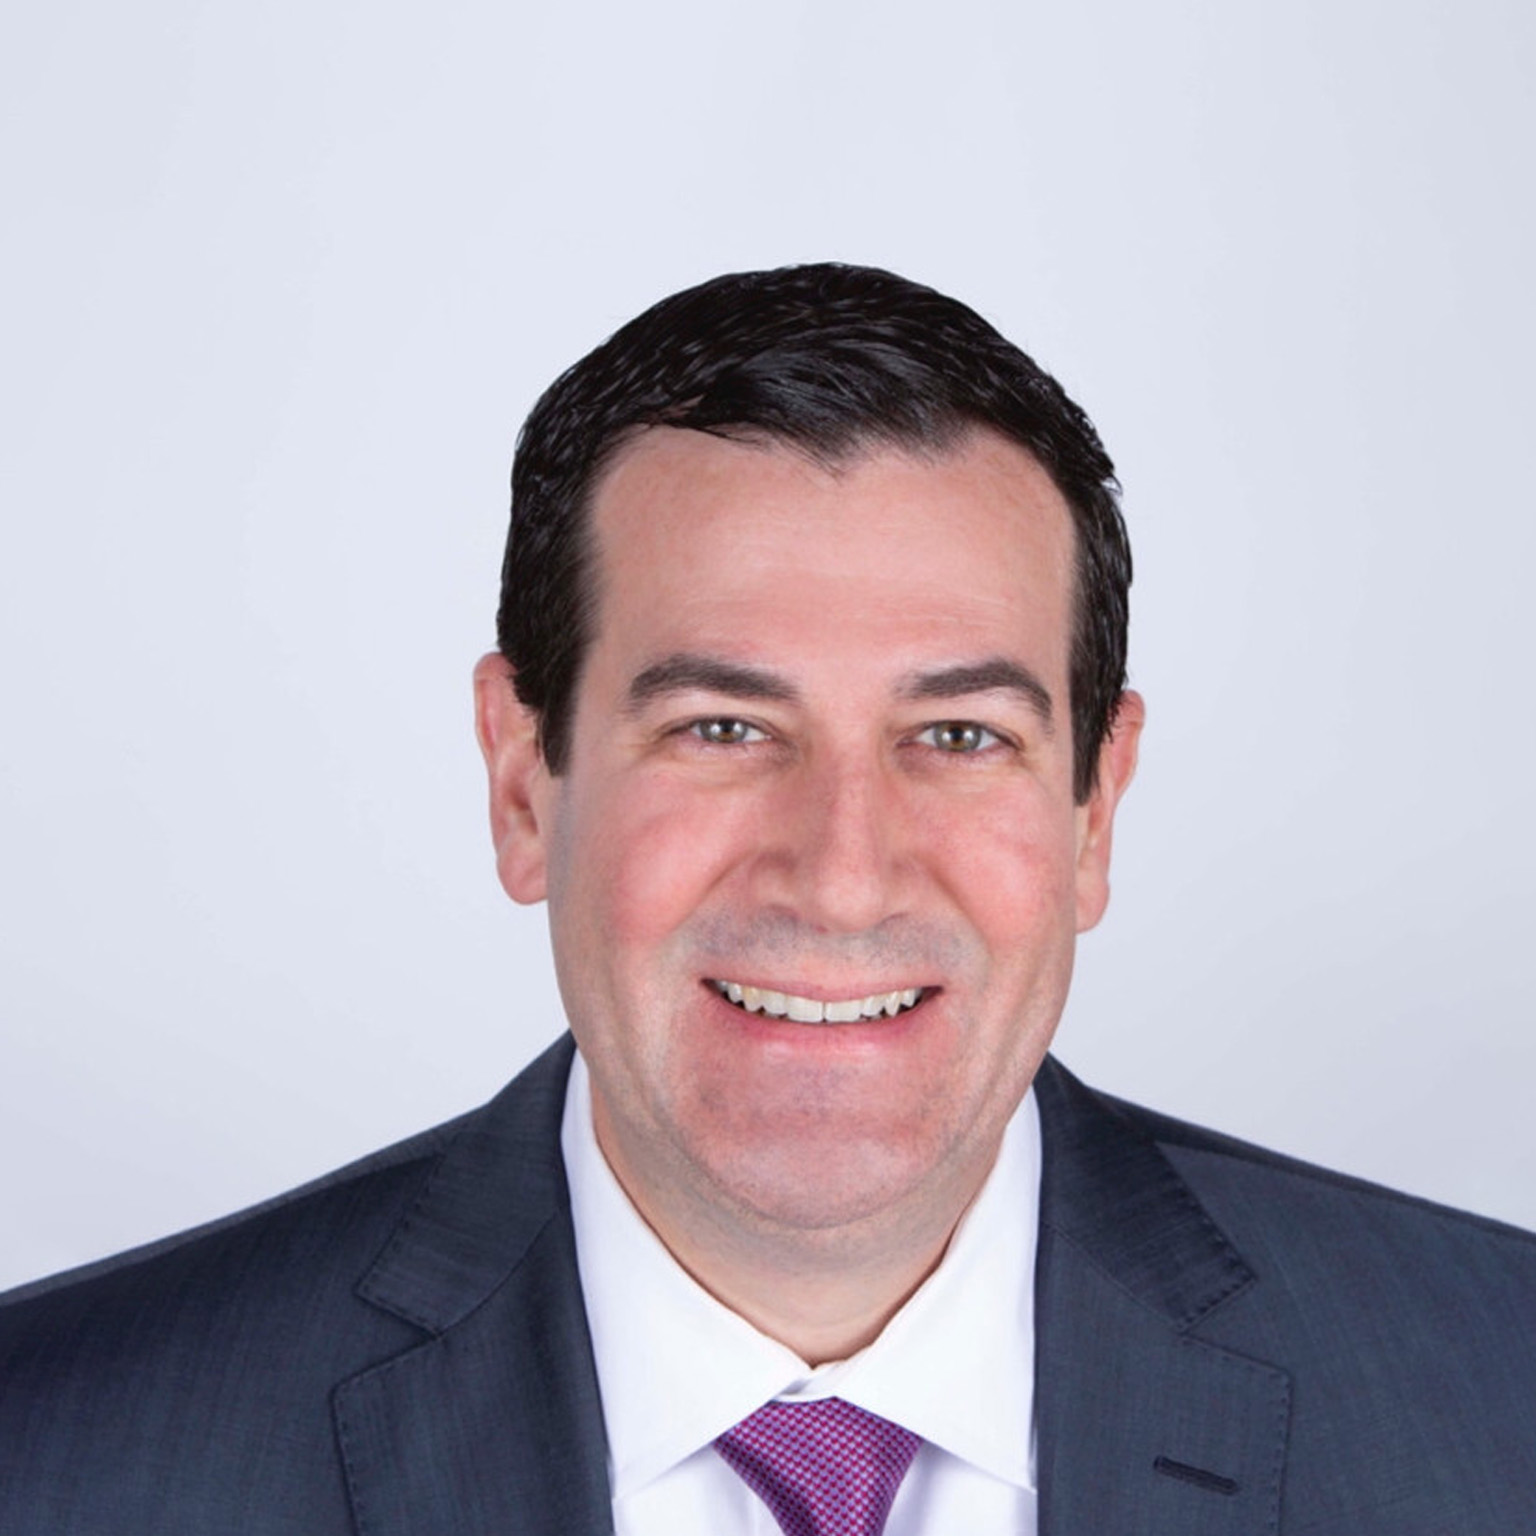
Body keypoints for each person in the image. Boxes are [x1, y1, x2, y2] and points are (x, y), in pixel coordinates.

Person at [2, 263, 1533, 1535]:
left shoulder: (1495, 1401)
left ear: (1093, 811)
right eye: (722, 729)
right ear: (522, 782)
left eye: (957, 736)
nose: (843, 870)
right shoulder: (63, 1454)